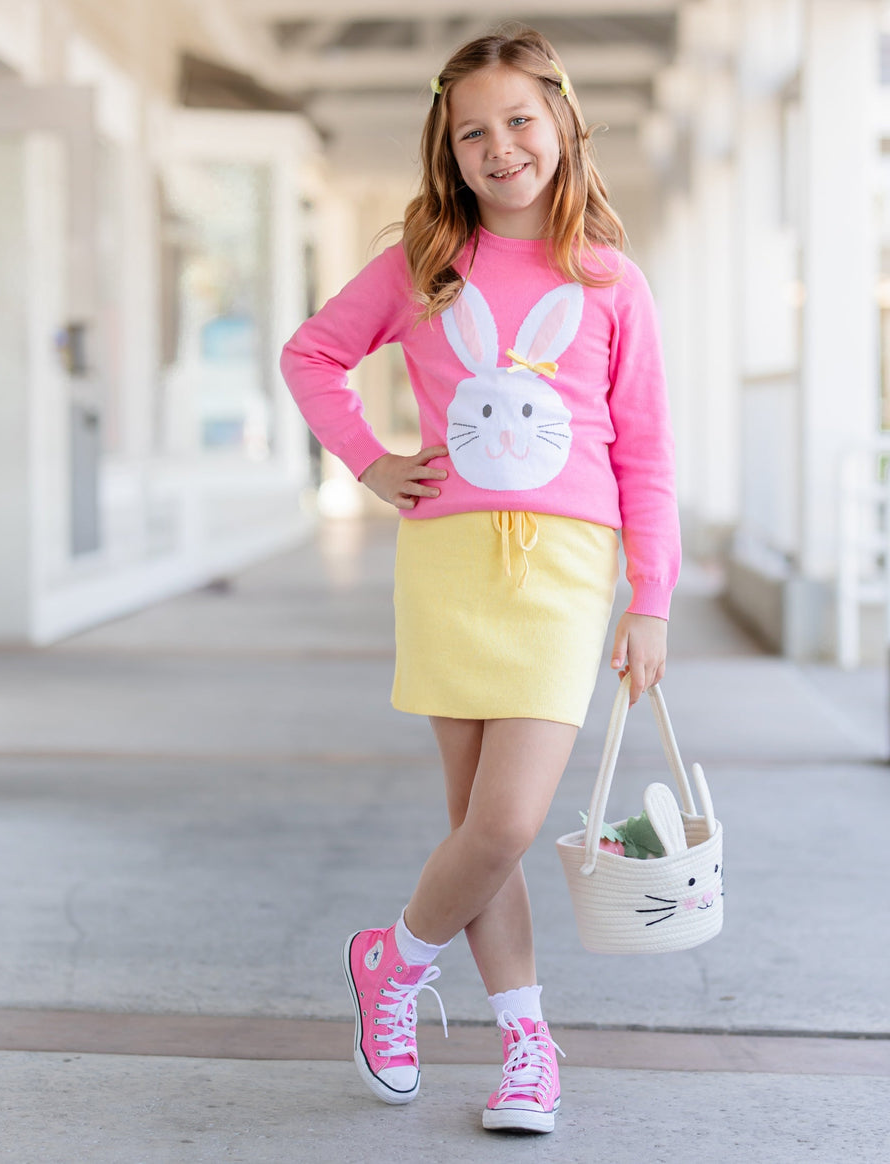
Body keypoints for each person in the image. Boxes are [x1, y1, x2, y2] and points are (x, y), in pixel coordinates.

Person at [279, 24, 680, 1135]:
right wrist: (369, 461)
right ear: (447, 152)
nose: (500, 146)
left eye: (518, 120)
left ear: (560, 125)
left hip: (565, 572)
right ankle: (525, 1049)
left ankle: (390, 963)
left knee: (504, 822)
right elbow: (312, 353)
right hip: (451, 561)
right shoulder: (424, 268)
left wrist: (651, 598)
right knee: (475, 828)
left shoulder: (607, 280)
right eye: (472, 132)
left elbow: (645, 451)